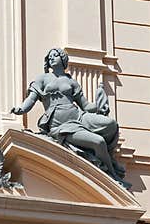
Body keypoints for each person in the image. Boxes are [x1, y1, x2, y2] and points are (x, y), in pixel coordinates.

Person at [12, 47, 127, 184]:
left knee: (111, 124)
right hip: (61, 124)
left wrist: (99, 103)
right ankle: (112, 175)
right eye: (49, 57)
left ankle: (110, 171)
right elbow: (31, 99)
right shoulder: (43, 79)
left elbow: (86, 106)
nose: (52, 58)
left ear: (63, 58)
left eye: (55, 55)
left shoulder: (71, 82)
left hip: (78, 116)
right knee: (99, 142)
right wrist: (21, 109)